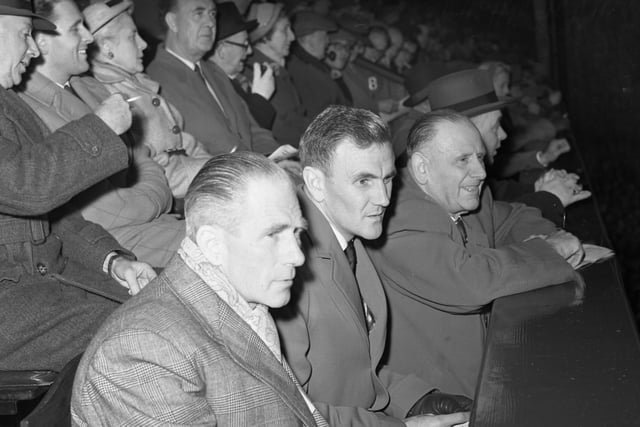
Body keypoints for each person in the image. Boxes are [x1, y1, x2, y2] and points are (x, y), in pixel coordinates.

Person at [72, 152, 328, 426]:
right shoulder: (141, 351)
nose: (298, 256)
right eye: (272, 235)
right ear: (212, 244)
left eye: (296, 233)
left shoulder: (242, 302)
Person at [274, 106, 471, 427]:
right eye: (364, 181)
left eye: (388, 179)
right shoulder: (289, 268)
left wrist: (419, 399)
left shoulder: (346, 238)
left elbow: (353, 372)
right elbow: (285, 410)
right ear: (315, 182)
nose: (382, 197)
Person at [368, 110, 583, 396]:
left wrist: (547, 236)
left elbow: (515, 217)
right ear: (421, 168)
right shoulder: (394, 217)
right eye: (463, 160)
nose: (481, 172)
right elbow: (470, 281)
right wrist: (550, 249)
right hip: (439, 398)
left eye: (479, 157)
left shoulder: (463, 195)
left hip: (489, 371)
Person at [0, 0, 154, 371]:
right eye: (24, 35)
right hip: (12, 306)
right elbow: (26, 186)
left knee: (182, 300)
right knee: (147, 337)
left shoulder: (8, 105)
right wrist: (99, 126)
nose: (34, 48)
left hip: (36, 292)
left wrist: (113, 261)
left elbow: (53, 217)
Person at [19, 0, 184, 267]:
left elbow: (140, 154)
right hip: (113, 246)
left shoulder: (89, 86)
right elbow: (95, 211)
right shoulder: (27, 111)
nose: (88, 36)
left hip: (150, 222)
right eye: (76, 29)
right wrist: (157, 197)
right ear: (41, 41)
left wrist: (154, 192)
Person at [78, 0, 210, 199]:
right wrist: (218, 172)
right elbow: (148, 172)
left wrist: (217, 164)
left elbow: (184, 143)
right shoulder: (109, 96)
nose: (144, 44)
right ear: (106, 47)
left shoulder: (138, 83)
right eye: (132, 36)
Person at [426, 69, 591, 226]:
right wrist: (549, 198)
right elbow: (497, 231)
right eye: (495, 126)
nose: (503, 134)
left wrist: (537, 187)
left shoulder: (455, 173)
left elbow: (497, 192)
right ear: (468, 131)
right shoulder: (448, 194)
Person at [146, 0, 282, 156]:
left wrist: (277, 156)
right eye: (198, 14)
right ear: (172, 22)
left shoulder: (214, 71)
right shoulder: (154, 82)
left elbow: (251, 129)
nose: (210, 22)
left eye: (212, 14)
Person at [245, 2, 311, 147]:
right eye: (285, 30)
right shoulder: (257, 76)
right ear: (264, 36)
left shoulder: (279, 71)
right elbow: (280, 131)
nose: (292, 37)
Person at [208, 1, 277, 131]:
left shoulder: (236, 79)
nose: (250, 51)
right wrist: (261, 97)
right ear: (221, 50)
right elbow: (249, 136)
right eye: (245, 44)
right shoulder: (214, 88)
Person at [287, 10, 351, 119]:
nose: (328, 41)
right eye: (324, 35)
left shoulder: (313, 66)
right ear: (309, 38)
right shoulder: (303, 71)